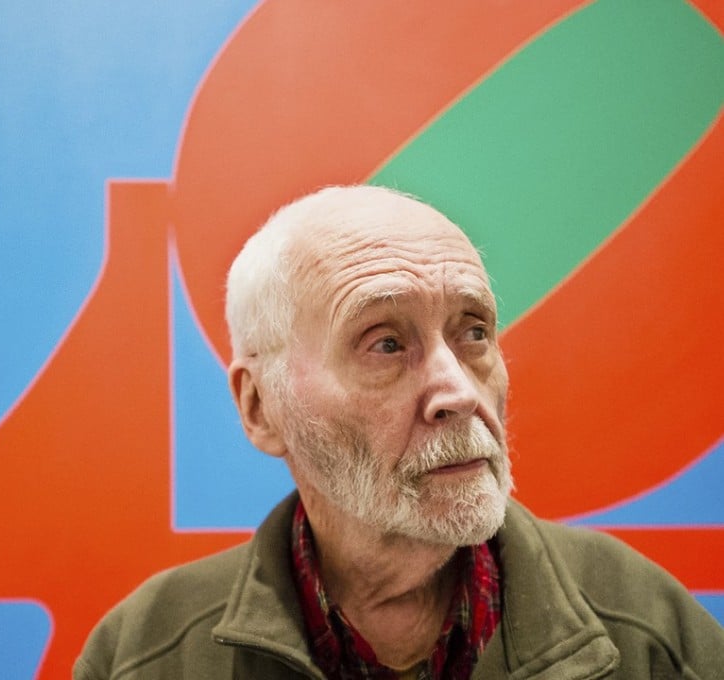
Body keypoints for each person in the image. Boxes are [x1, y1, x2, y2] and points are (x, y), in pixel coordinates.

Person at [74, 185, 724, 679]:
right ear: (260, 408)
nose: (459, 392)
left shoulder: (646, 632)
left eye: (474, 332)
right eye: (385, 343)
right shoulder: (146, 653)